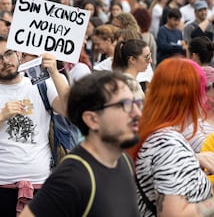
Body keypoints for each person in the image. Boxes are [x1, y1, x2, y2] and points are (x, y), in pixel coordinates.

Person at [0, 34, 69, 216]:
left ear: (19, 54)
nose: (5, 61)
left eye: (9, 53)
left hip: (40, 184)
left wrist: (54, 72)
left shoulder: (41, 84)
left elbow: (71, 109)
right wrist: (1, 117)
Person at [20, 70, 141, 217]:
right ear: (92, 119)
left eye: (135, 103)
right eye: (124, 105)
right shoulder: (72, 177)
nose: (137, 113)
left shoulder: (124, 161)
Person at [131, 58, 214, 216]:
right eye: (201, 91)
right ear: (189, 97)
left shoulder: (156, 133)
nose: (203, 99)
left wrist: (193, 159)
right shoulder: (168, 144)